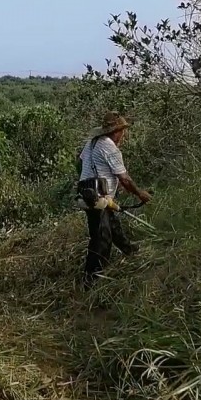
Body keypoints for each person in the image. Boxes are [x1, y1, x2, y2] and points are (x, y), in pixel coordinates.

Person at [78, 111, 152, 286]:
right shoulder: (110, 148)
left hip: (88, 193)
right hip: (98, 198)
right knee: (101, 239)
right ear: (116, 131)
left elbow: (80, 162)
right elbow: (125, 179)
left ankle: (131, 251)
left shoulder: (91, 143)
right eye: (122, 131)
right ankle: (92, 280)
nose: (124, 135)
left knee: (113, 226)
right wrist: (140, 193)